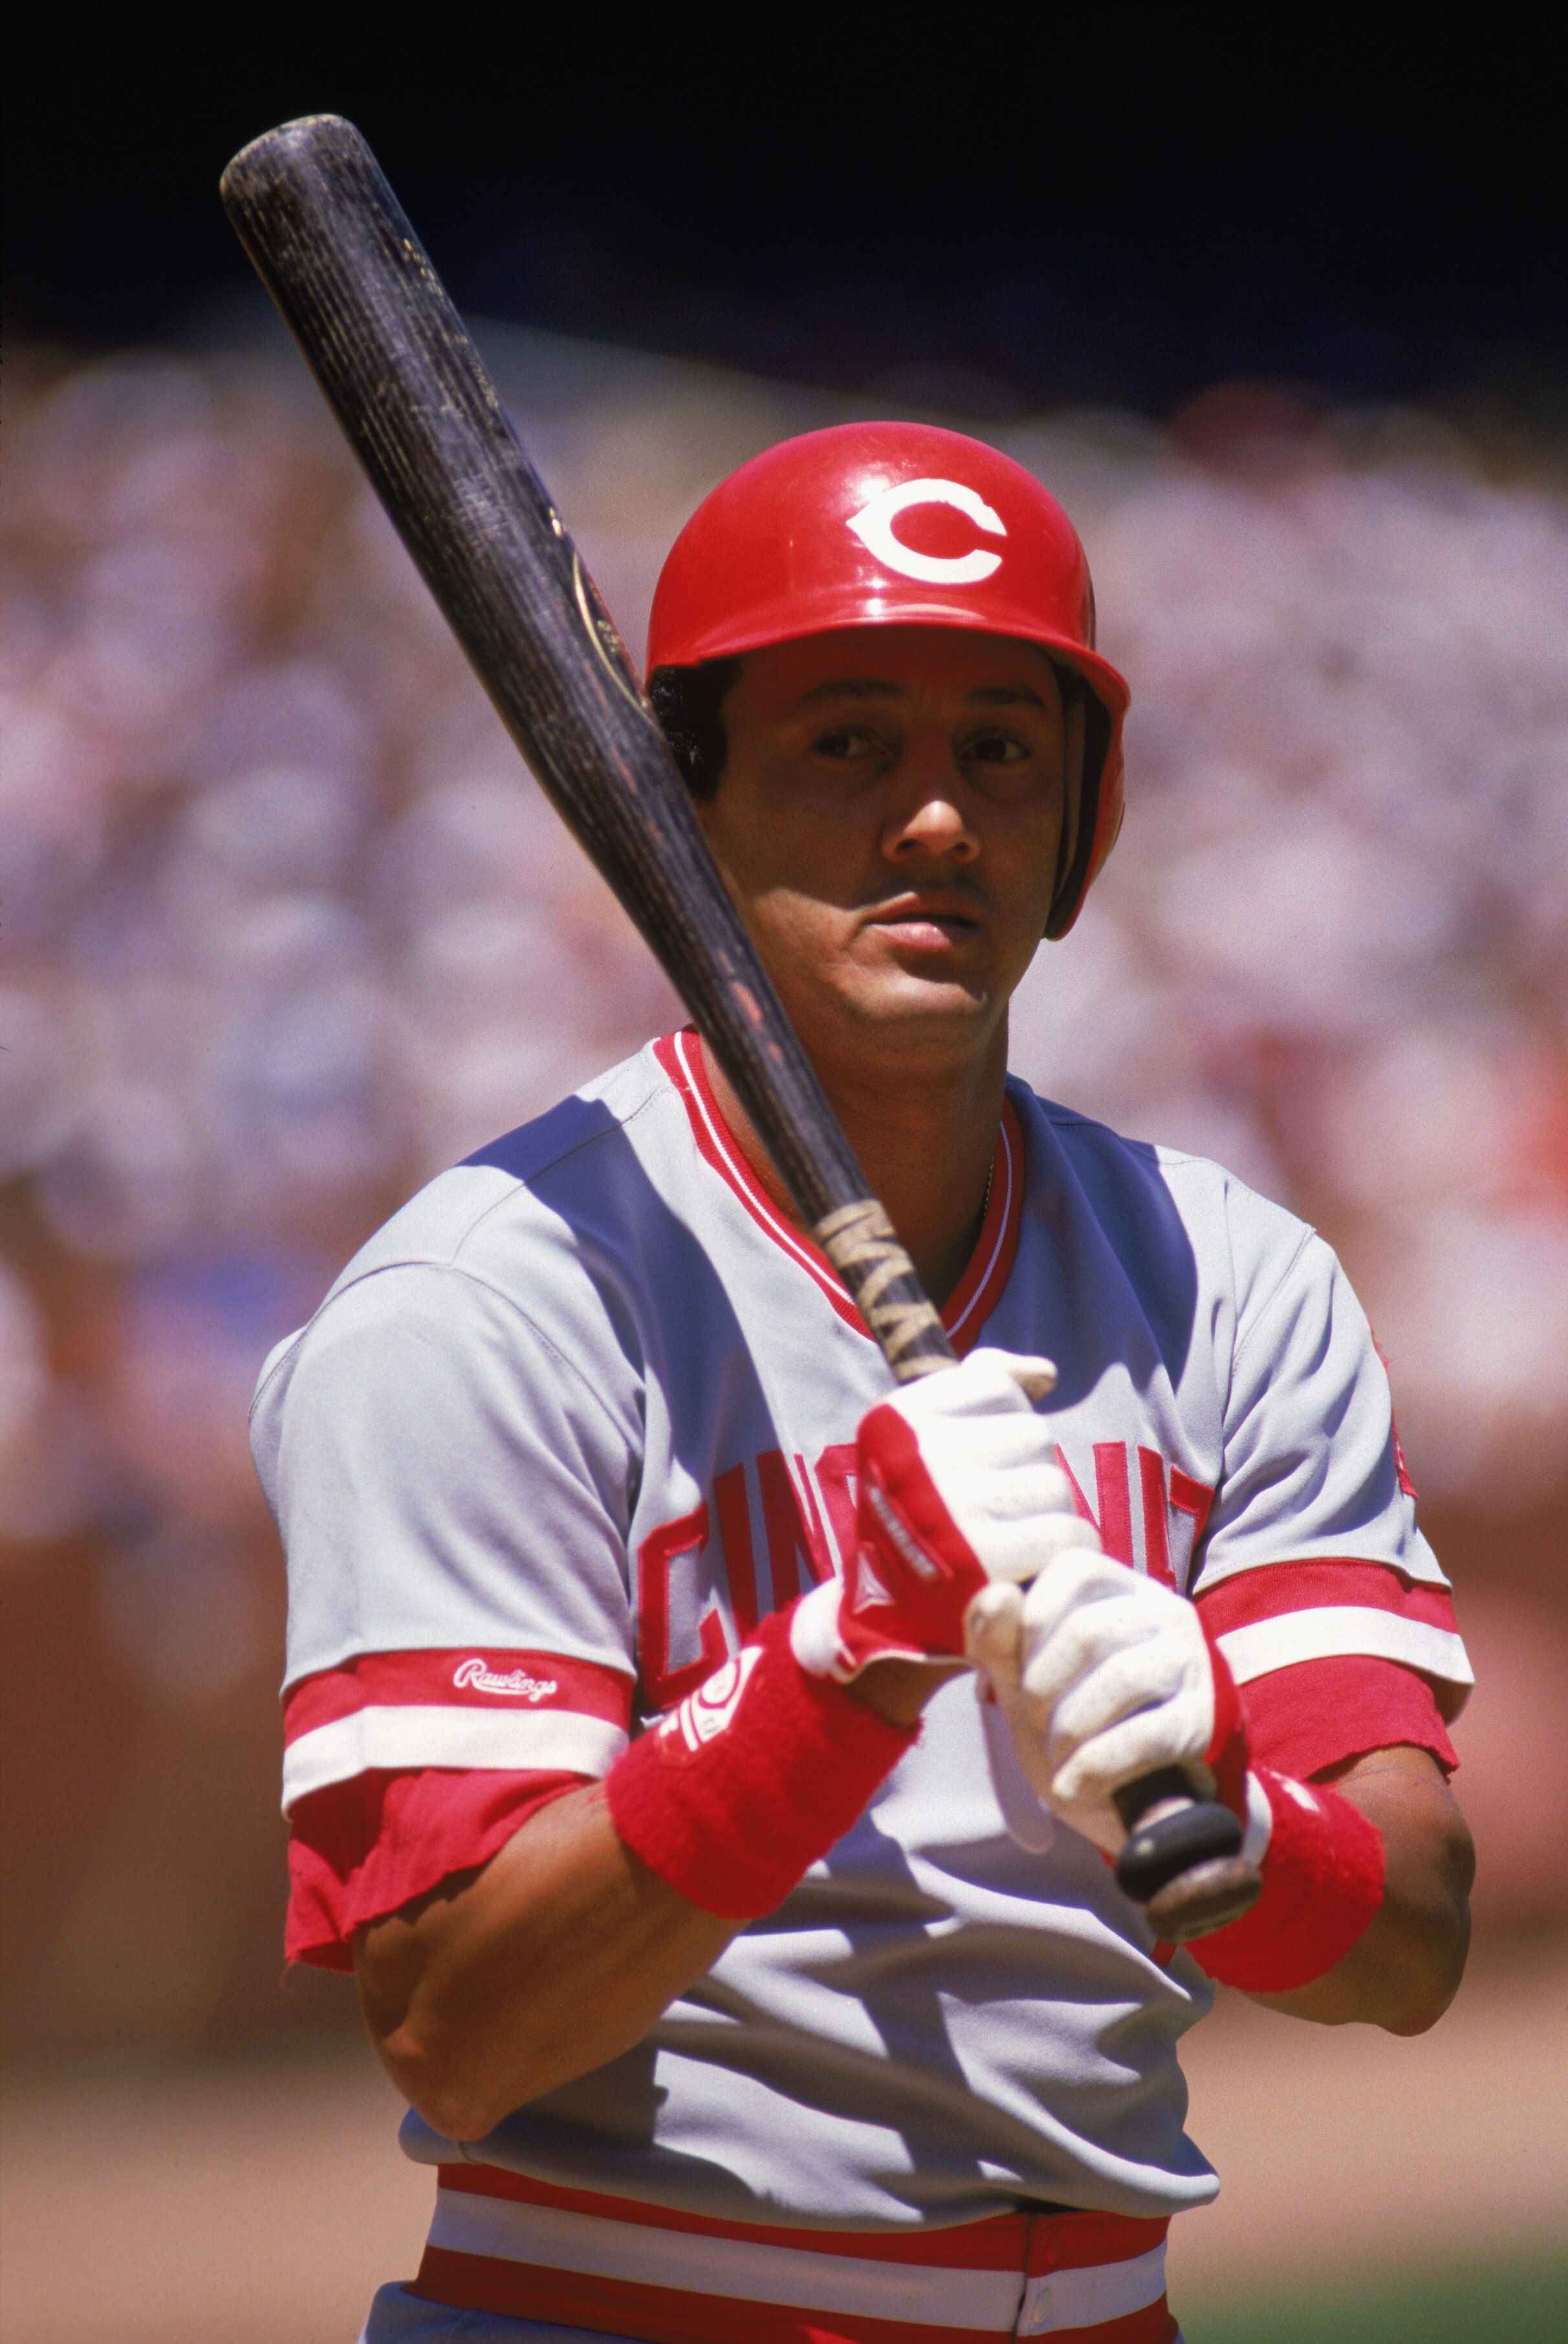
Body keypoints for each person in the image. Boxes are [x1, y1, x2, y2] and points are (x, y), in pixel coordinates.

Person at [254, 422, 1475, 2344]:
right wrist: (841, 1664)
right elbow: (454, 2029)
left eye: (1000, 748)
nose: (936, 820)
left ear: (1087, 824)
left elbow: (1409, 1945)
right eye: (846, 742)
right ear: (677, 813)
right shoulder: (487, 1299)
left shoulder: (1232, 1280)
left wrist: (1243, 1817)